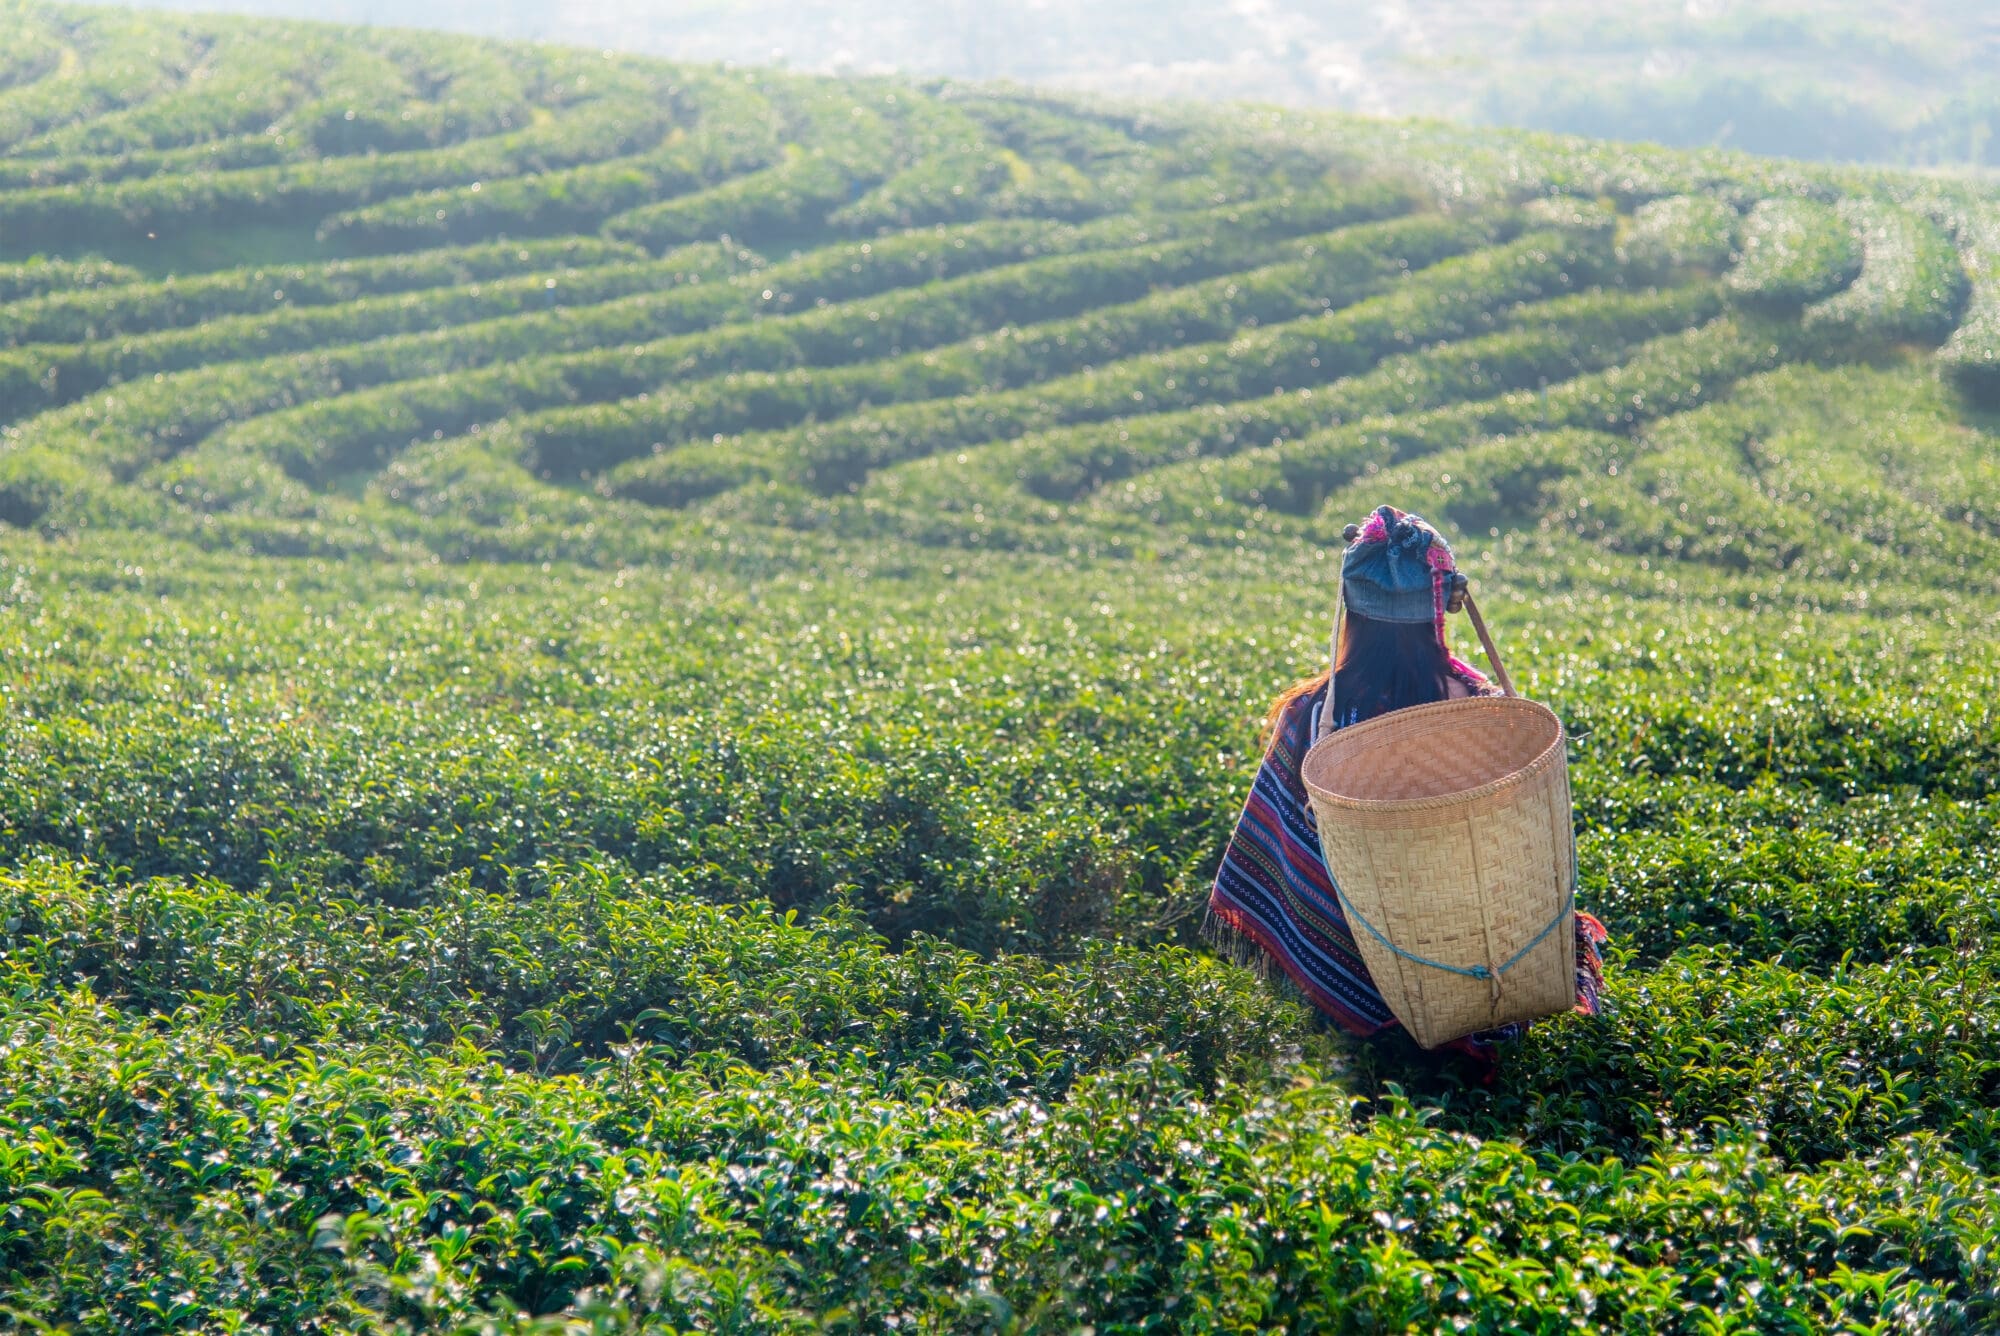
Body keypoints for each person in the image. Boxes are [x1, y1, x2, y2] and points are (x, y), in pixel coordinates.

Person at [1206, 504, 1607, 1071]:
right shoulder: (1485, 710)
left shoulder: (1315, 714)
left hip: (1356, 953)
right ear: (1441, 608)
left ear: (1352, 612)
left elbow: (1280, 849)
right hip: (1479, 949)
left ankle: (1355, 1008)